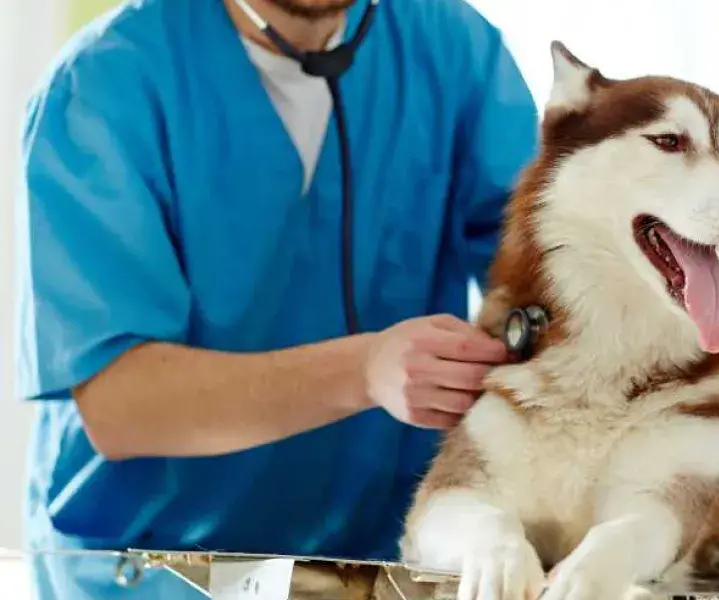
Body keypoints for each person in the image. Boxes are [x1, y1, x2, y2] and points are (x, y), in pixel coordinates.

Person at [14, 0, 539, 597]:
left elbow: (539, 274)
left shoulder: (453, 51)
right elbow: (119, 404)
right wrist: (364, 370)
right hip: (155, 567)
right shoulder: (104, 85)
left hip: (373, 559)